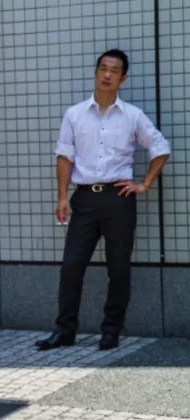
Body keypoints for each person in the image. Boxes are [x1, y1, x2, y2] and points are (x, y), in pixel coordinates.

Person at [35, 49, 171, 352]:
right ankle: (64, 330)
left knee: (118, 268)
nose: (107, 75)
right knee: (71, 266)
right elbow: (64, 156)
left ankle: (111, 331)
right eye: (103, 68)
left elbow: (161, 148)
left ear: (123, 78)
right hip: (83, 200)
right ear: (96, 72)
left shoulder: (133, 116)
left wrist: (143, 184)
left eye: (114, 70)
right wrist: (62, 196)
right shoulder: (75, 114)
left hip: (118, 200)